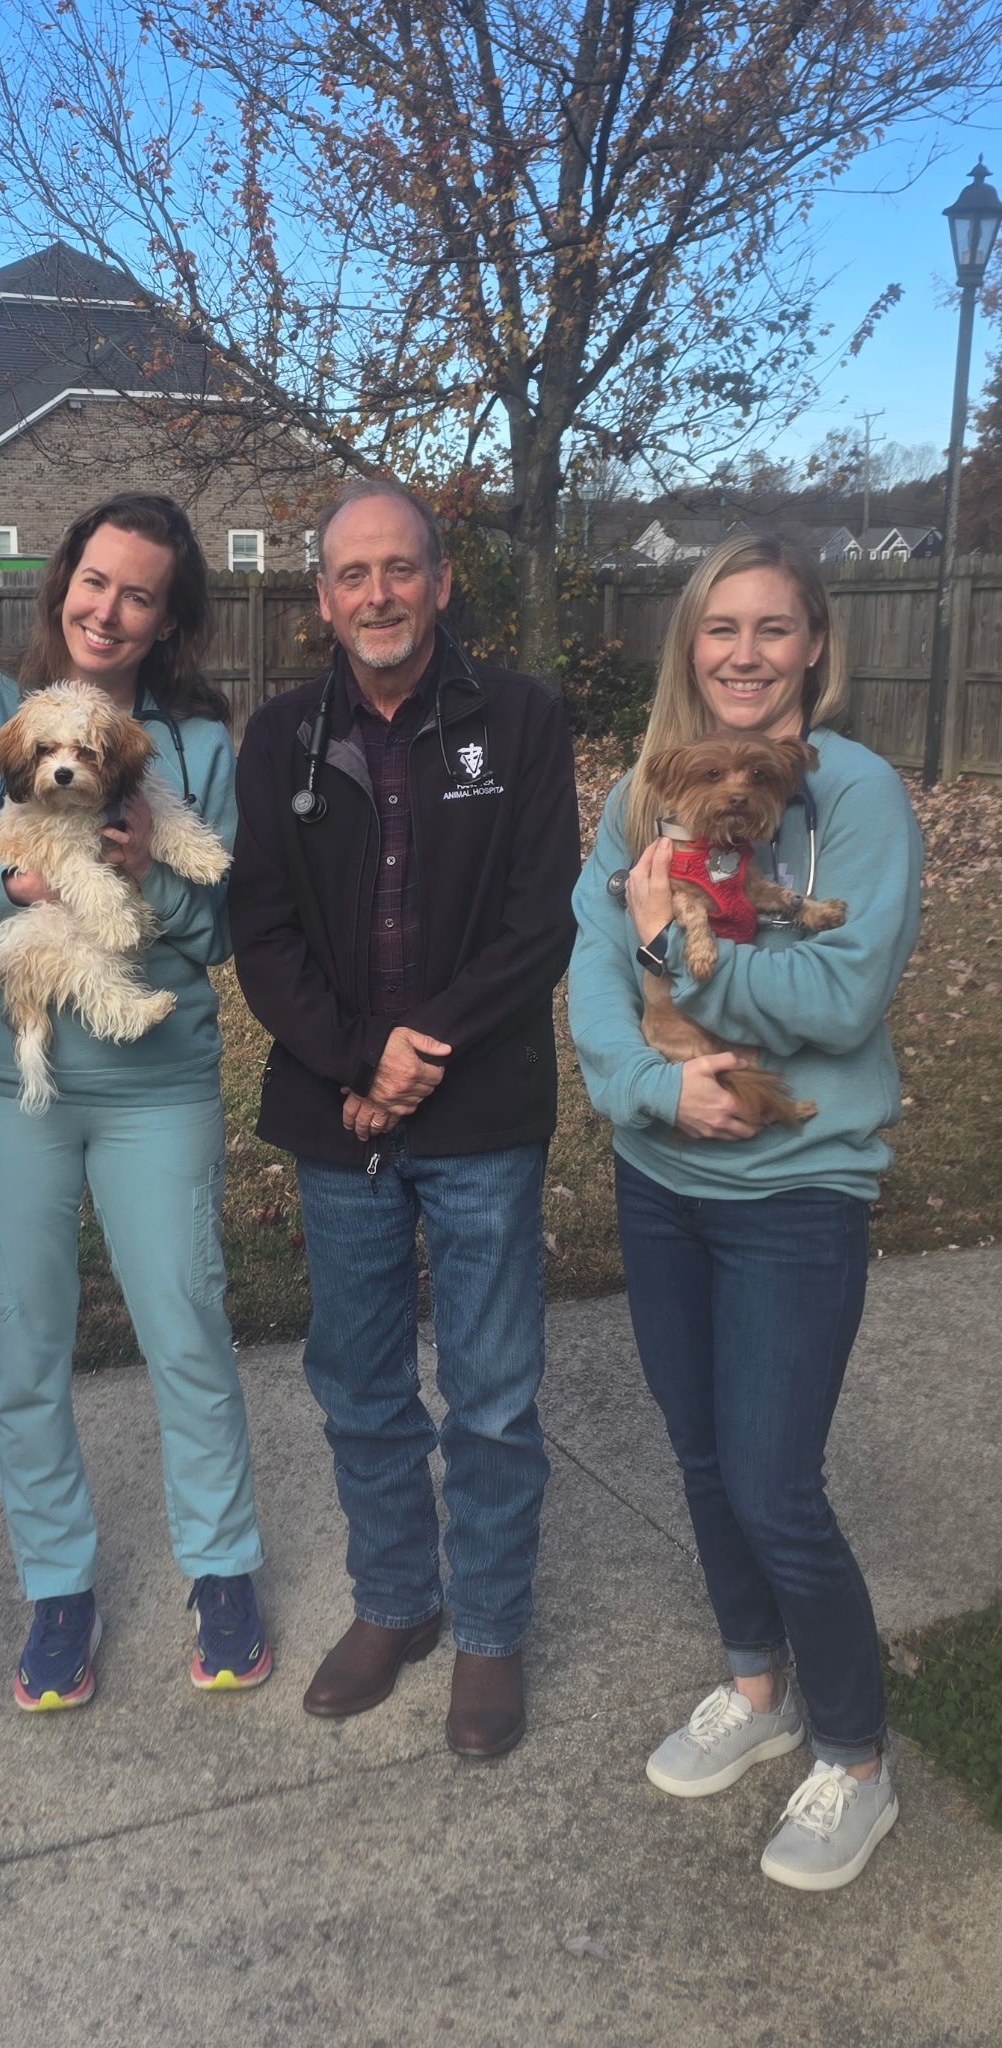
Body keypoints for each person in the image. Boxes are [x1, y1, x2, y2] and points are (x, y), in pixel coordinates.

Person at [568, 533, 922, 1891]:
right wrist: (650, 1097)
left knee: (775, 1484)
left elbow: (837, 1003)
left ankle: (853, 1758)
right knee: (702, 1457)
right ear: (688, 644)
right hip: (663, 1179)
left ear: (812, 647)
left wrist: (680, 960)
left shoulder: (858, 797)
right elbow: (591, 966)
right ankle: (752, 1686)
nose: (743, 654)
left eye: (772, 629)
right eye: (720, 629)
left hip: (795, 1191)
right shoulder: (634, 792)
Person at [0, 492, 268, 1710]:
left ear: (170, 621)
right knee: (23, 1346)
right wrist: (21, 875)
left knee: (187, 1326)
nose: (108, 609)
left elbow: (215, 932)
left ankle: (221, 1566)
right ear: (63, 581)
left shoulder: (194, 749)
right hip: (3, 1080)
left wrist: (142, 868)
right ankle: (58, 1587)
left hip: (157, 1084)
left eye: (140, 594)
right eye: (94, 581)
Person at [229, 479, 579, 1757]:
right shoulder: (278, 739)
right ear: (320, 597)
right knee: (361, 1381)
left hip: (479, 1107)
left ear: (440, 583)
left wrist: (416, 1051)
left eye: (399, 569)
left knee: (489, 1391)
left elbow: (539, 918)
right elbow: (256, 927)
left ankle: (487, 1628)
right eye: (350, 574)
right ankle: (396, 1603)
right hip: (338, 1114)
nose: (375, 594)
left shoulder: (521, 720)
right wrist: (353, 1057)